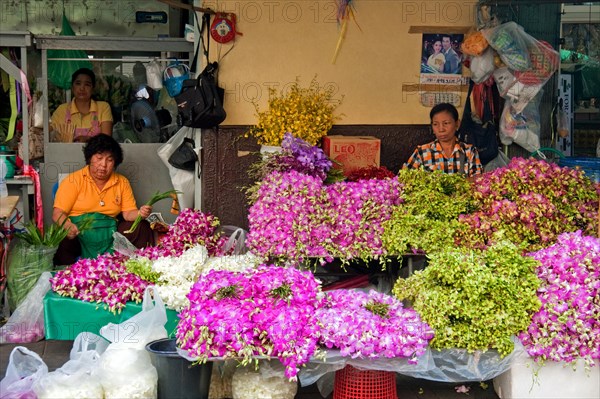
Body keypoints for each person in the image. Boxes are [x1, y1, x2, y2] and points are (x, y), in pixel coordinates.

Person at [53, 134, 154, 265]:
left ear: (115, 163)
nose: (103, 165)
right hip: (79, 232)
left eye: (109, 160)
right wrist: (68, 226)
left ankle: (141, 266)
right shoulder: (73, 181)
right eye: (99, 158)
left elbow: (128, 213)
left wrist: (140, 213)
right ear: (90, 158)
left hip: (110, 232)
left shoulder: (121, 182)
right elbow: (58, 213)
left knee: (142, 226)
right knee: (63, 236)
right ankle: (68, 276)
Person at [403, 103, 483, 177]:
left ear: (457, 124)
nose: (441, 129)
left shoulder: (469, 151)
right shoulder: (422, 152)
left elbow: (478, 180)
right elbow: (406, 179)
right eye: (435, 124)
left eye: (446, 123)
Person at [50, 68, 113, 143]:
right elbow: (49, 133)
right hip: (67, 154)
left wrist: (88, 140)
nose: (82, 88)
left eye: (87, 84)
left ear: (93, 89)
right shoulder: (62, 110)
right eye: (78, 83)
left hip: (96, 154)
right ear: (72, 87)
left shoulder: (103, 107)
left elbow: (107, 140)